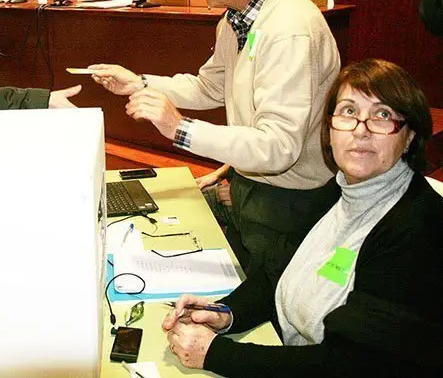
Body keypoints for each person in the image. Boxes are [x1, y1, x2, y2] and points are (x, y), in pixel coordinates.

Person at [90, 0, 341, 281]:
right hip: (251, 185)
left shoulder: (289, 27)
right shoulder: (237, 18)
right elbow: (210, 87)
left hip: (286, 204)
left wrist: (180, 129)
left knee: (262, 303)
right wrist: (139, 83)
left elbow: (278, 148)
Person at [162, 58, 443, 376]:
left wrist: (215, 354)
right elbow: (276, 274)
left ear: (408, 137)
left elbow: (352, 363)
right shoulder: (337, 192)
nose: (360, 131)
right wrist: (225, 312)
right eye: (349, 112)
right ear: (330, 128)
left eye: (382, 115)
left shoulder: (415, 229)